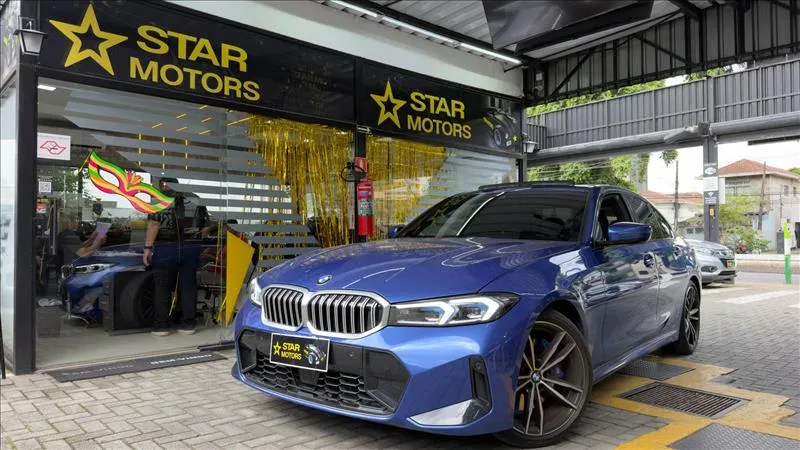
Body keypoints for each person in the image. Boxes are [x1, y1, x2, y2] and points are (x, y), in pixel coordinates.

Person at [143, 178, 199, 336]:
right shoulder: (194, 200)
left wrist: (147, 248)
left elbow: (154, 225)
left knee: (162, 287)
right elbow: (204, 225)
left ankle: (162, 326)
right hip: (190, 247)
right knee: (188, 287)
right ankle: (188, 324)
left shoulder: (159, 200)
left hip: (166, 247)